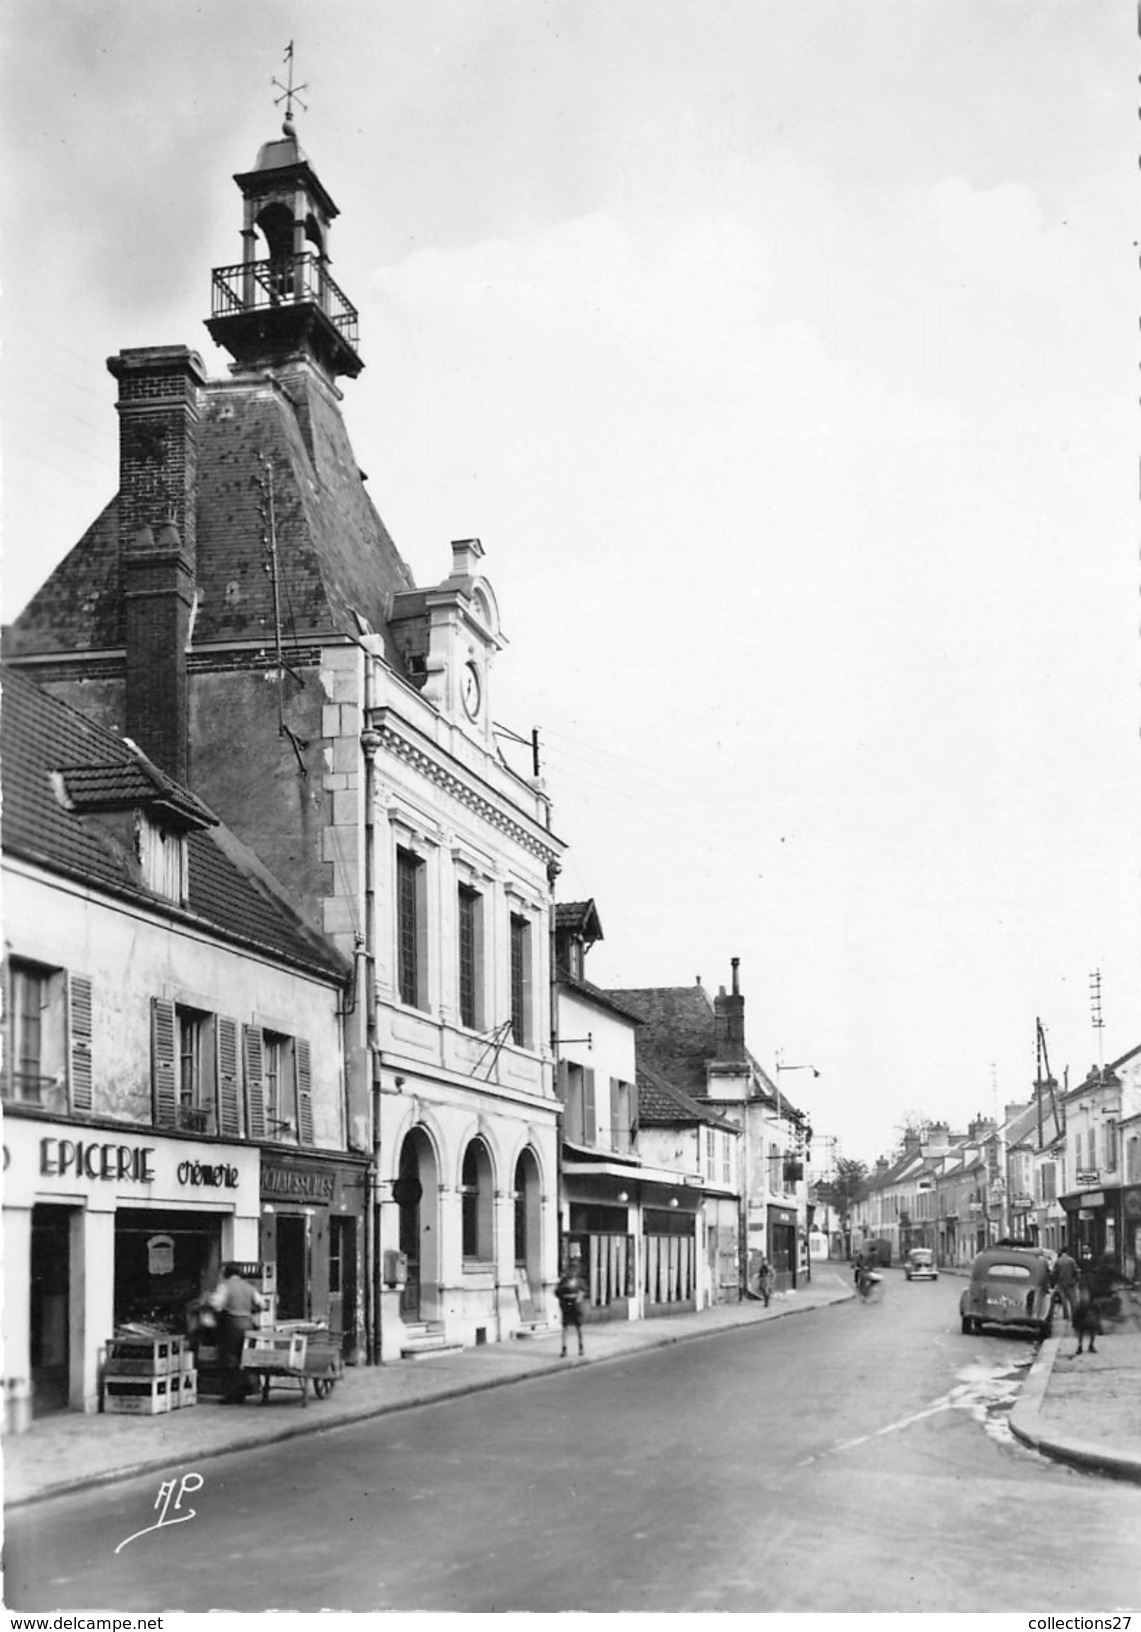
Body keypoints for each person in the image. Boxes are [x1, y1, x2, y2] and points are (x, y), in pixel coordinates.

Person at [209, 1263, 267, 1403]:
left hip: (231, 1325)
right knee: (245, 1358)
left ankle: (232, 1394)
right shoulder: (249, 1287)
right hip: (248, 1325)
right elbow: (262, 1304)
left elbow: (216, 1305)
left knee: (229, 1359)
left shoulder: (225, 1286)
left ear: (226, 1273)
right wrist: (250, 1310)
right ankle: (249, 1387)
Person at [555, 1257, 588, 1358]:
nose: (573, 1271)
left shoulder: (580, 1281)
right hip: (566, 1304)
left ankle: (581, 1347)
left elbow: (583, 1291)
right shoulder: (564, 1281)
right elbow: (557, 1292)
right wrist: (562, 1300)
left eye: (575, 1268)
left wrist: (579, 1298)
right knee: (565, 1327)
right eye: (571, 1268)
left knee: (579, 1327)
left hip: (576, 1305)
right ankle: (564, 1348)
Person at [1050, 1246, 1078, 1322]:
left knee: (1064, 1299)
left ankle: (1066, 1315)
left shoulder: (1058, 1261)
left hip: (1061, 1282)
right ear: (1068, 1251)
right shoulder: (1071, 1260)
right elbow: (1075, 1270)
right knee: (1073, 1299)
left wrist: (1054, 1282)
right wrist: (1076, 1279)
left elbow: (1055, 1272)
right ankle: (1074, 1314)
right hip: (1071, 1282)